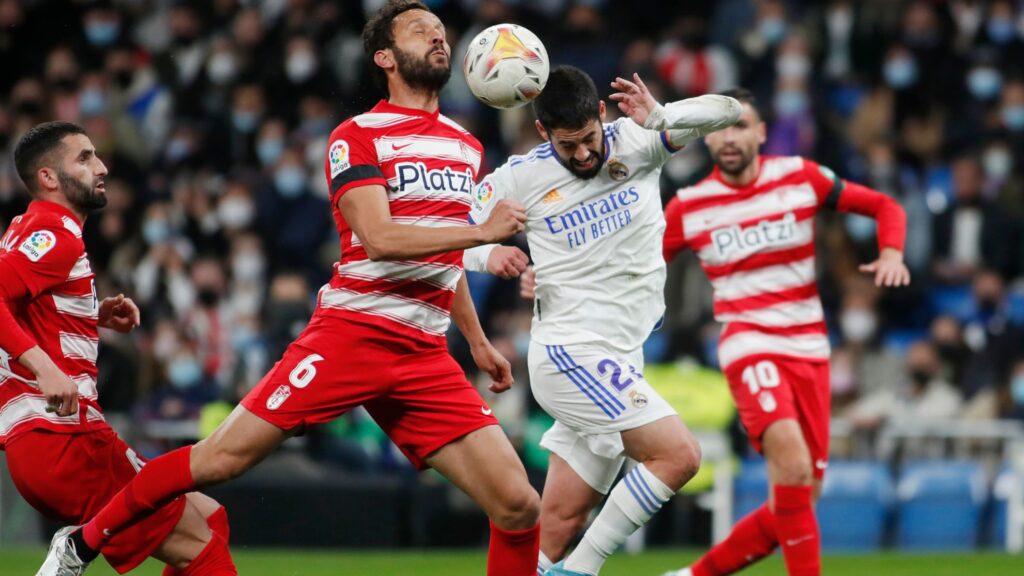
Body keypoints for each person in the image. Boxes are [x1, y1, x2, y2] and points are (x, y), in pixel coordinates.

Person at [39, 2, 541, 575]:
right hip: (353, 334)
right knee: (222, 460)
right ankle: (81, 544)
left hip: (423, 352)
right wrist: (484, 228)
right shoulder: (356, 136)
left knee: (519, 505)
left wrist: (475, 341)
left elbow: (441, 251)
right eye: (420, 30)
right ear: (385, 57)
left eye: (442, 32)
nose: (438, 38)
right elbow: (378, 237)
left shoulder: (465, 144)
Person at [465, 65, 741, 576]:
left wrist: (659, 115)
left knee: (558, 523)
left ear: (601, 113)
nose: (585, 154)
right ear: (544, 133)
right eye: (568, 146)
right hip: (571, 353)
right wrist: (488, 257)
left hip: (620, 356)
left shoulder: (640, 140)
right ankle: (583, 571)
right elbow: (442, 234)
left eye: (589, 138)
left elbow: (729, 109)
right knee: (678, 456)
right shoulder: (518, 178)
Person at [660, 89, 910, 576]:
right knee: (793, 471)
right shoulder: (688, 206)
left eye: (739, 126)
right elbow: (635, 266)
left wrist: (893, 253)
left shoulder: (800, 176)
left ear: (761, 132)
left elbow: (885, 207)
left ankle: (693, 575)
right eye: (718, 130)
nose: (728, 138)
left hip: (811, 350)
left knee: (801, 496)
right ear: (707, 141)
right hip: (748, 345)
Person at [1, 122, 236, 576]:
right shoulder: (55, 232)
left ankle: (77, 546)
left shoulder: (28, 227)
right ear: (49, 177)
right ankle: (75, 548)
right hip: (62, 440)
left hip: (51, 442)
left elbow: (23, 304)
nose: (102, 167)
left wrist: (88, 313)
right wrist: (45, 368)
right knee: (203, 552)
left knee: (210, 518)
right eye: (85, 158)